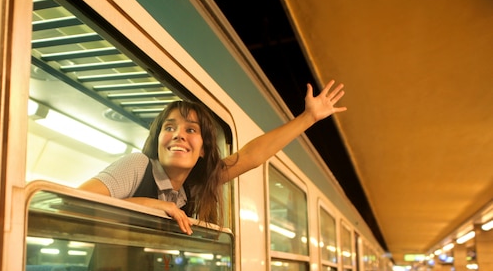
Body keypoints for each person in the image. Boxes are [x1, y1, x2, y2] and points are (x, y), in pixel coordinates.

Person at [78, 80, 346, 234]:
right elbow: (75, 201)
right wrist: (149, 204)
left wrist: (309, 117)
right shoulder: (137, 165)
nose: (178, 135)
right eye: (169, 127)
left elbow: (251, 156)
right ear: (158, 139)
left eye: (190, 130)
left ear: (203, 148)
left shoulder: (190, 189)